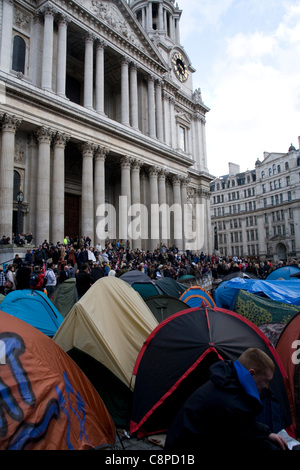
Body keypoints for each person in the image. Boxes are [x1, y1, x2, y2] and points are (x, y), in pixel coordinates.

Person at [164, 348, 288, 452]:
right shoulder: (231, 402)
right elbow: (250, 438)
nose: (267, 386)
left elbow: (246, 424)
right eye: (266, 381)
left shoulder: (228, 378)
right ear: (251, 374)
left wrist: (267, 433)